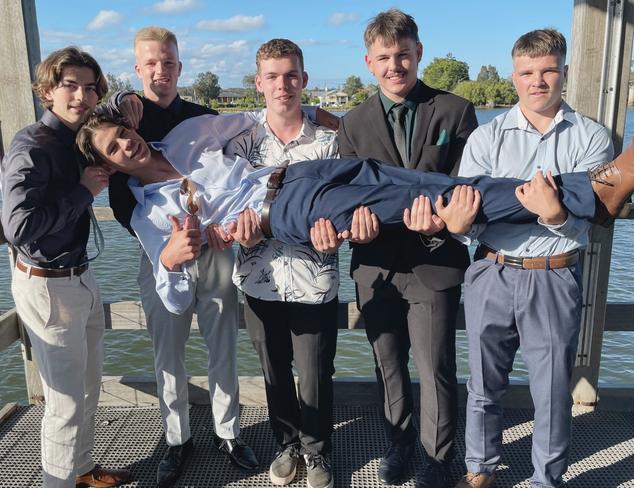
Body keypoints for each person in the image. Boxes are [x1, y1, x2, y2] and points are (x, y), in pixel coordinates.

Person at [76, 110, 634, 314]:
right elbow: (172, 304)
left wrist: (321, 114)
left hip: (301, 173)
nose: (128, 145)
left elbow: (249, 118)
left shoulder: (185, 137)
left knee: (439, 183)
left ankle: (582, 191)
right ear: (111, 167)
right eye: (114, 149)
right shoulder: (148, 215)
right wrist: (172, 264)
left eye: (124, 133)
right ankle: (593, 191)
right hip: (289, 209)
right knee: (423, 203)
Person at [453, 29, 614, 488]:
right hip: (491, 270)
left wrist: (557, 214)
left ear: (564, 72)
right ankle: (479, 468)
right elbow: (470, 212)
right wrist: (463, 226)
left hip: (554, 275)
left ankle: (548, 479)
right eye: (527, 72)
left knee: (552, 390)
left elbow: (590, 220)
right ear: (514, 76)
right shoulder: (486, 138)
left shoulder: (591, 138)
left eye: (547, 70)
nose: (537, 81)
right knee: (483, 385)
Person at [104, 26, 258, 487]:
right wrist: (162, 243)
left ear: (179, 66)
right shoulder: (121, 123)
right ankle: (176, 439)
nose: (161, 70)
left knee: (223, 345)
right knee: (166, 352)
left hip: (214, 248)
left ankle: (227, 432)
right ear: (137, 68)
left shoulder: (203, 115)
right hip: (160, 253)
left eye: (168, 62)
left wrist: (218, 221)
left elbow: (235, 173)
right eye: (151, 63)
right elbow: (117, 195)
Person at [222, 38, 377, 488]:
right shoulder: (239, 146)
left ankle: (318, 452)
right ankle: (286, 445)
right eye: (272, 76)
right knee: (273, 369)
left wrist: (340, 234)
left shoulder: (332, 144)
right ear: (258, 83)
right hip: (259, 277)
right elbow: (226, 207)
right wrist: (238, 229)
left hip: (315, 279)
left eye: (291, 75)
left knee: (314, 371)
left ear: (304, 79)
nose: (283, 85)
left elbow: (347, 207)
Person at [336, 9, 478, 486]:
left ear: (419, 53)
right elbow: (347, 195)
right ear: (368, 63)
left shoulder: (455, 111)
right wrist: (355, 228)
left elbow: (469, 186)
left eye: (403, 55)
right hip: (374, 265)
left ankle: (439, 459)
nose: (394, 65)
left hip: (435, 261)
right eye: (384, 58)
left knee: (435, 366)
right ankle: (398, 445)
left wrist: (440, 223)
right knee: (388, 365)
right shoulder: (352, 124)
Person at [0, 47, 131, 488]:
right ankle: (56, 482)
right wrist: (81, 191)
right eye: (69, 85)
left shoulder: (78, 134)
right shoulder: (32, 145)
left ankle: (81, 470)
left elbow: (109, 115)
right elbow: (18, 226)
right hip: (48, 285)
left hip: (79, 275)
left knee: (90, 386)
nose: (81, 95)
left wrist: (123, 102)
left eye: (90, 87)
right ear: (46, 90)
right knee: (64, 402)